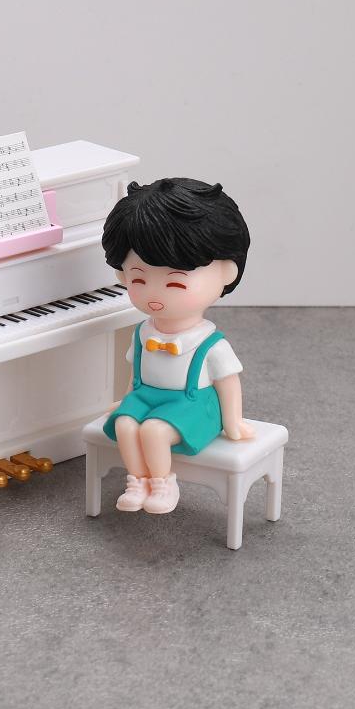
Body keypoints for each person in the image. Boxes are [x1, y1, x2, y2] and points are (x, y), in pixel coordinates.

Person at [102, 177, 253, 514]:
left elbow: (228, 383)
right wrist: (126, 401)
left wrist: (233, 421)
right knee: (125, 425)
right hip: (145, 397)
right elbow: (136, 374)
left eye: (175, 283)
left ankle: (163, 483)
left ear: (227, 272)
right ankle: (138, 481)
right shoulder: (142, 333)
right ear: (122, 276)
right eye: (138, 279)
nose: (154, 294)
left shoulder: (210, 343)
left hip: (193, 405)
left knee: (154, 431)